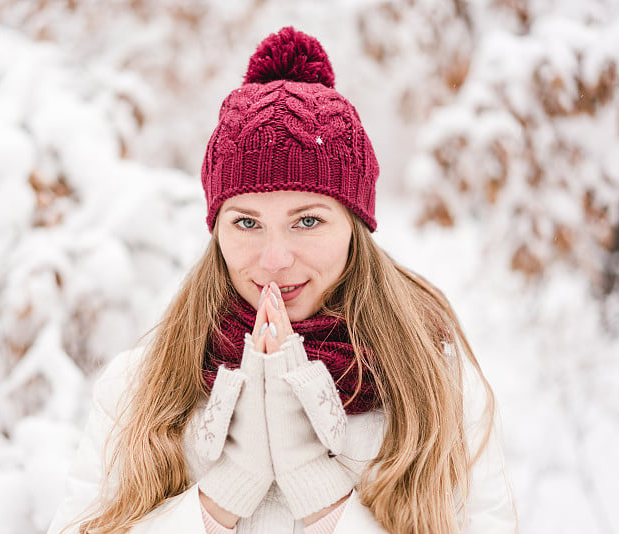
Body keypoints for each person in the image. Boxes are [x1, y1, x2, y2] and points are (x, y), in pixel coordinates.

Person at [47, 27, 516, 534]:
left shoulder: (436, 388)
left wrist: (319, 492)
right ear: (217, 230)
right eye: (246, 223)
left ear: (355, 227)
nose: (274, 259)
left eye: (307, 221)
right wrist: (224, 493)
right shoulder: (138, 388)